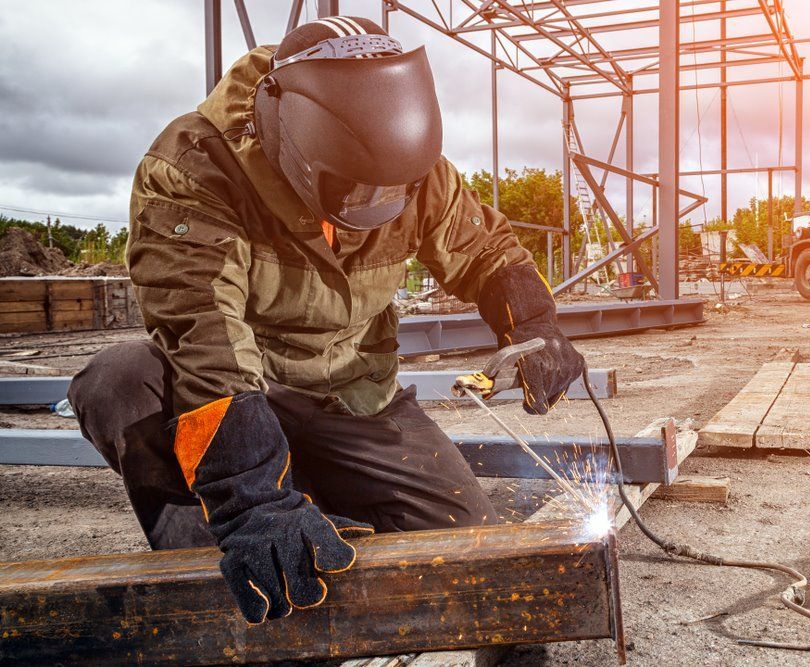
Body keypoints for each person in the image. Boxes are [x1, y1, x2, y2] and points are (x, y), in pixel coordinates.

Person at [69, 16, 584, 625]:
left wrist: (534, 322)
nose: (375, 208)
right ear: (296, 141)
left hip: (352, 390)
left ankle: (311, 489)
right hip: (244, 382)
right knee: (121, 380)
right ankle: (215, 570)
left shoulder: (413, 169)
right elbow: (204, 338)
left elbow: (485, 250)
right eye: (355, 192)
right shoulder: (194, 169)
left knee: (461, 541)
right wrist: (251, 499)